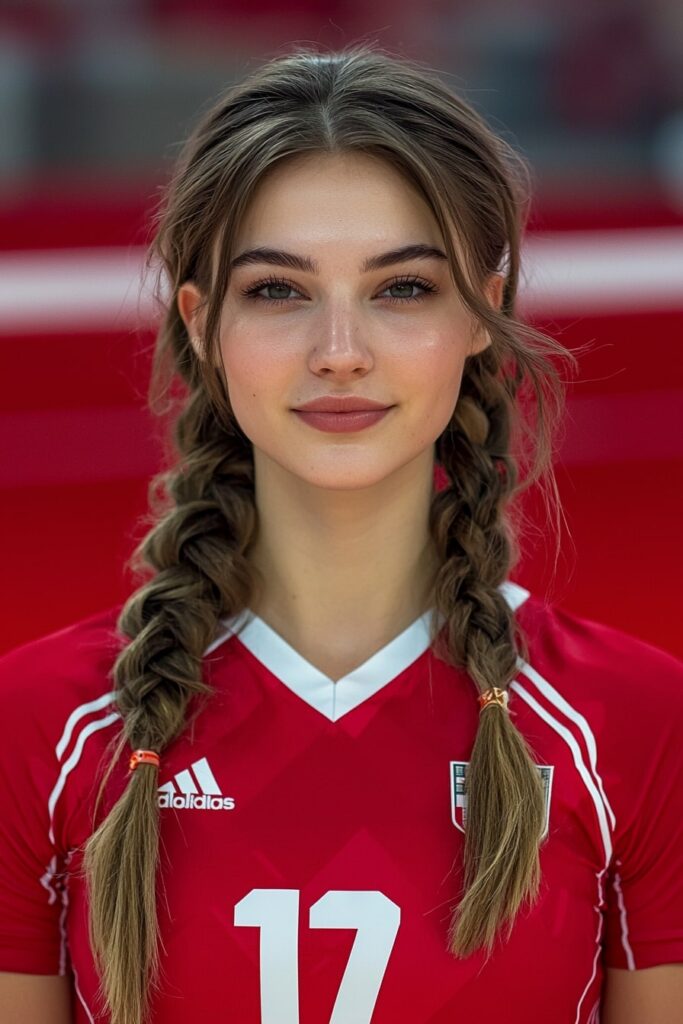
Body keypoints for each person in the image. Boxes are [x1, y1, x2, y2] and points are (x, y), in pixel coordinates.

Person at [0, 44, 682, 1024]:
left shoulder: (636, 726)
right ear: (201, 323)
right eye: (277, 290)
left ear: (482, 310)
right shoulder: (38, 730)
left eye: (401, 287)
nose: (339, 352)